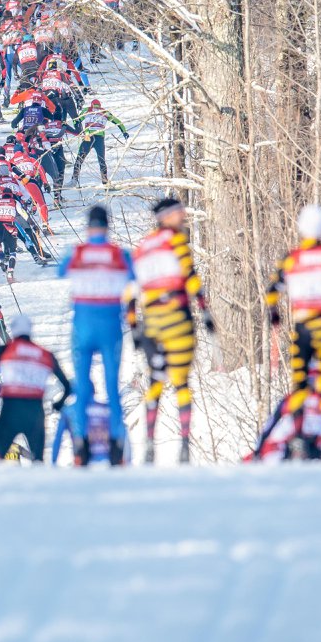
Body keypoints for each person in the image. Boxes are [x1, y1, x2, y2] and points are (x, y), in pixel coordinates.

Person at [263, 204, 321, 456]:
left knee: (300, 384)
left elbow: (272, 291)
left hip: (302, 327)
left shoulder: (293, 257)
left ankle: (300, 434)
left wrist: (275, 316)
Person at [132, 197, 214, 464]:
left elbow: (130, 290)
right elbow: (190, 277)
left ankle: (149, 442)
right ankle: (185, 443)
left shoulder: (143, 247)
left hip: (152, 321)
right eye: (179, 213)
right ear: (166, 216)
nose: (183, 217)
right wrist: (205, 311)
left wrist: (134, 328)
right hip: (177, 316)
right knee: (181, 381)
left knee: (155, 380)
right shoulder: (176, 242)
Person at [57, 205, 134, 464]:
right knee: (112, 386)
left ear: (88, 227)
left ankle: (81, 445)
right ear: (107, 226)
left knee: (81, 385)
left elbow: (60, 270)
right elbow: (134, 276)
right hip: (111, 325)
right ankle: (115, 445)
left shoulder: (79, 252)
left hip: (83, 325)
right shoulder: (119, 253)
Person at [0, 314, 70, 462]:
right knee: (38, 460)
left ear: (14, 330)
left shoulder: (6, 350)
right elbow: (67, 386)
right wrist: (59, 403)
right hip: (35, 411)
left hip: (11, 410)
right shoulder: (46, 354)